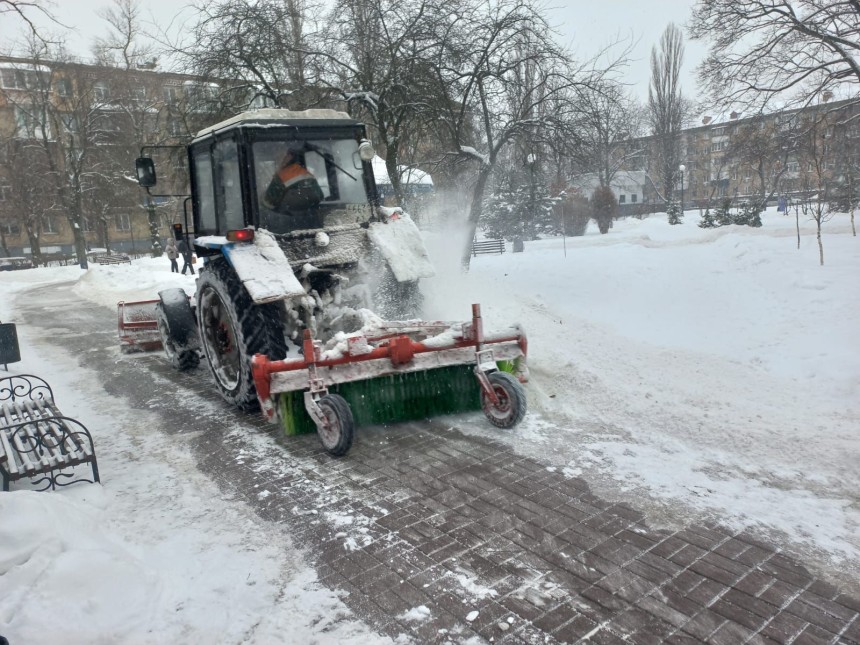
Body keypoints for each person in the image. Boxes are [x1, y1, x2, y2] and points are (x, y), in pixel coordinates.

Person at [261, 147, 323, 213]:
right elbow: (320, 197)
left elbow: (267, 204)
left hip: (285, 218)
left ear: (290, 156)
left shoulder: (281, 177)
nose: (278, 160)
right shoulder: (307, 174)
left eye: (280, 156)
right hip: (311, 216)